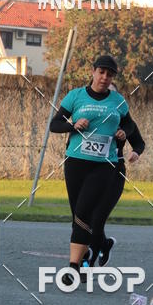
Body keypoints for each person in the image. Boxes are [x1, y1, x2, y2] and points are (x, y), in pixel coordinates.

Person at [50, 55, 138, 280]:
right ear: (93, 72)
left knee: (84, 212)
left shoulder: (118, 101)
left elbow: (129, 124)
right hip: (75, 162)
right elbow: (55, 124)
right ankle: (97, 248)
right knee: (77, 214)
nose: (105, 77)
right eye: (101, 72)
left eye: (110, 75)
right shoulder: (75, 96)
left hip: (104, 165)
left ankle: (73, 267)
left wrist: (124, 133)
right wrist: (73, 124)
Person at [84, 112, 145, 268]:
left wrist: (135, 152)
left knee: (97, 219)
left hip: (114, 172)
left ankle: (88, 263)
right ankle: (104, 244)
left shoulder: (125, 123)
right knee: (86, 219)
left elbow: (139, 143)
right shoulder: (88, 117)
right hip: (89, 171)